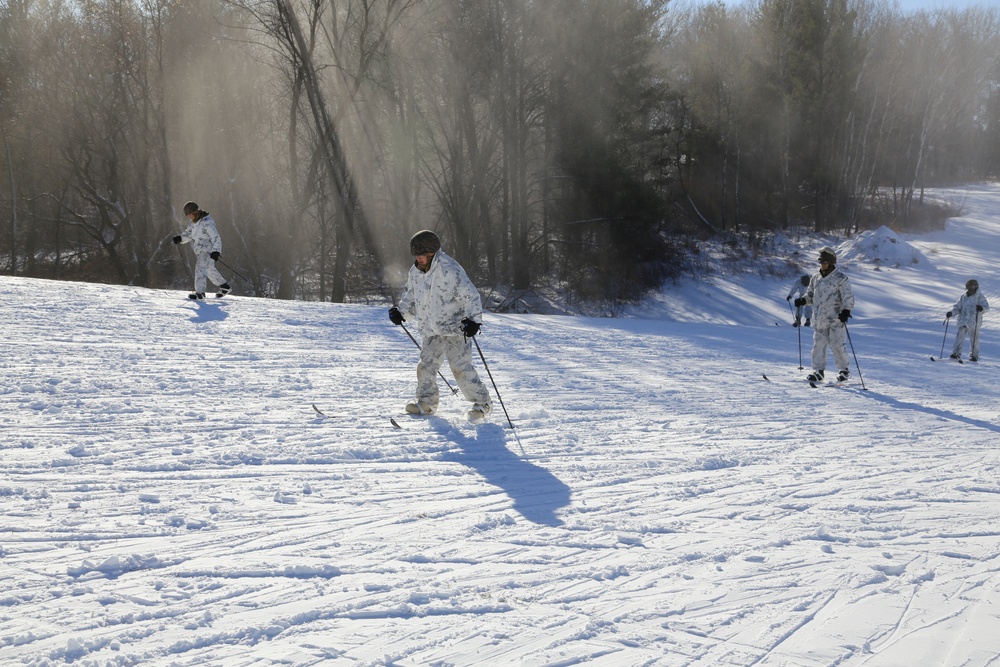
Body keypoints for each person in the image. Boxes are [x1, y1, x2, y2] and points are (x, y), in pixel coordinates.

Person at [388, 230, 492, 421]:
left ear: (433, 253)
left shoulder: (449, 269)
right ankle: (426, 402)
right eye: (416, 255)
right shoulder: (415, 272)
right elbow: (411, 295)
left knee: (460, 367)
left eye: (422, 255)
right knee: (426, 365)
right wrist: (401, 312)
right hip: (429, 328)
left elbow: (470, 296)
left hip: (454, 329)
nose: (419, 259)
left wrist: (474, 321)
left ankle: (482, 402)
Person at [795, 247, 854, 383]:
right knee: (818, 346)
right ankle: (818, 371)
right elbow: (810, 295)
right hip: (820, 319)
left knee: (837, 345)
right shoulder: (816, 278)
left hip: (836, 319)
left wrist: (846, 311)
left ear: (832, 262)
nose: (823, 264)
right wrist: (803, 300)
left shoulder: (841, 278)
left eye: (825, 261)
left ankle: (844, 370)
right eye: (821, 261)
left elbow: (848, 297)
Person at [173, 202, 231, 300]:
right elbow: (189, 234)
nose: (189, 216)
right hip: (200, 250)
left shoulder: (207, 222)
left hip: (208, 250)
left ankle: (200, 293)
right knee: (208, 269)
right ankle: (224, 287)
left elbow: (216, 237)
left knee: (200, 268)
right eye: (187, 215)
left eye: (189, 214)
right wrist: (180, 238)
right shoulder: (193, 223)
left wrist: (216, 251)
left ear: (195, 212)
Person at [947, 279, 989, 362]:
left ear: (976, 287)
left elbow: (987, 307)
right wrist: (951, 313)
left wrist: (982, 309)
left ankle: (974, 355)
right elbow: (957, 308)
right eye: (969, 286)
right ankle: (956, 353)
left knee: (974, 340)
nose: (970, 288)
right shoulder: (963, 297)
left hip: (974, 321)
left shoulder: (980, 297)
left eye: (972, 286)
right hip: (963, 321)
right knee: (959, 338)